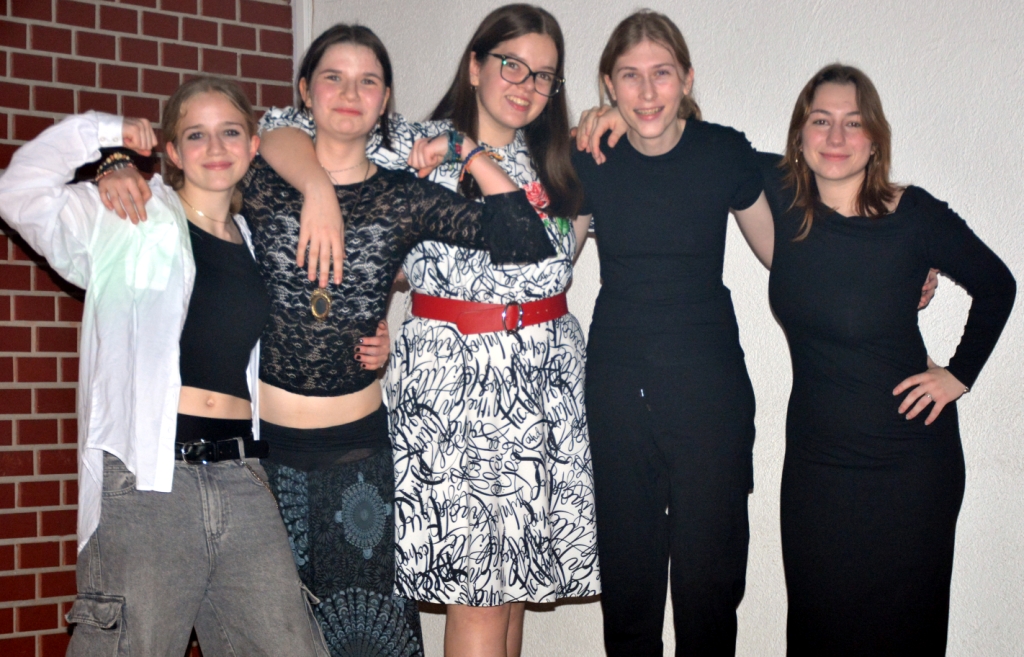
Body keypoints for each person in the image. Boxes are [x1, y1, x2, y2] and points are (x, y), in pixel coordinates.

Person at [185, 23, 553, 657]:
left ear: (385, 101)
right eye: (333, 78)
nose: (350, 93)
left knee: (368, 638)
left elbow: (523, 235)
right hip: (261, 459)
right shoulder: (261, 178)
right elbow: (213, 154)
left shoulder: (401, 197)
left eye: (368, 82)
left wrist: (464, 147)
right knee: (269, 640)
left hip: (357, 454)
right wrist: (317, 187)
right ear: (306, 91)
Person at [258, 6, 599, 657]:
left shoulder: (561, 162)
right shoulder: (409, 142)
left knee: (511, 600)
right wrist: (318, 190)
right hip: (457, 389)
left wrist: (605, 115)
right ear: (474, 66)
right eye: (511, 64)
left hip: (544, 389)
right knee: (476, 599)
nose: (526, 84)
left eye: (543, 75)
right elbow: (278, 129)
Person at [0, 78, 331, 656]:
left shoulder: (256, 240)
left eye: (230, 132)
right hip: (148, 483)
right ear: (172, 151)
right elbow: (16, 191)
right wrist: (108, 142)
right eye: (195, 135)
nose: (215, 147)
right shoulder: (130, 215)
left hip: (243, 479)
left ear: (253, 145)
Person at [763, 64, 1016, 656]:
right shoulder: (781, 201)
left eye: (853, 123)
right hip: (817, 469)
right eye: (820, 120)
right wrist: (609, 119)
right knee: (818, 633)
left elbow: (997, 286)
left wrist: (958, 375)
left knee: (905, 635)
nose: (835, 136)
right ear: (799, 134)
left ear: (875, 138)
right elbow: (694, 144)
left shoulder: (914, 215)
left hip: (910, 467)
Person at [568, 10, 775, 656]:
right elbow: (548, 265)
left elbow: (785, 255)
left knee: (709, 585)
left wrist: (893, 266)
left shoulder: (723, 152)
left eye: (661, 73)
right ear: (608, 84)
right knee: (629, 585)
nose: (647, 91)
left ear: (686, 78)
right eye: (629, 76)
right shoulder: (589, 158)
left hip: (709, 390)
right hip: (618, 388)